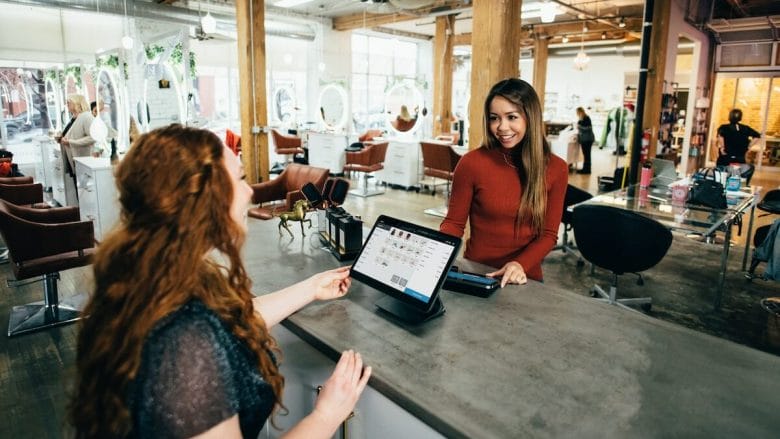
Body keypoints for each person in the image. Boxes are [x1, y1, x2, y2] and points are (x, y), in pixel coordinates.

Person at [69, 125, 371, 438]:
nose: (250, 191)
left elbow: (231, 321)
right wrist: (327, 415)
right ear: (203, 199)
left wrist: (311, 288)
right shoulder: (184, 345)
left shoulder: (151, 276)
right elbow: (202, 331)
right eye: (240, 178)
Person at [440, 78, 568, 285]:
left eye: (511, 117)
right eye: (494, 118)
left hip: (524, 277)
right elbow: (454, 224)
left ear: (530, 117)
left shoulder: (556, 169)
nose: (501, 127)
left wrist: (519, 264)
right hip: (477, 273)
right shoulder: (471, 163)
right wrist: (435, 254)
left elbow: (549, 234)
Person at [59, 94, 94, 175]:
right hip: (72, 157)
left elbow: (92, 138)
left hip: (83, 159)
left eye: (69, 102)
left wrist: (70, 142)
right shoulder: (74, 118)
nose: (66, 104)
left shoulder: (86, 117)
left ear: (77, 103)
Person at [575, 107, 594, 174]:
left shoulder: (587, 118)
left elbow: (588, 128)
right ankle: (585, 169)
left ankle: (587, 170)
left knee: (587, 155)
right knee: (585, 155)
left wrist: (579, 127)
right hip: (584, 140)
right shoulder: (581, 119)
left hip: (587, 140)